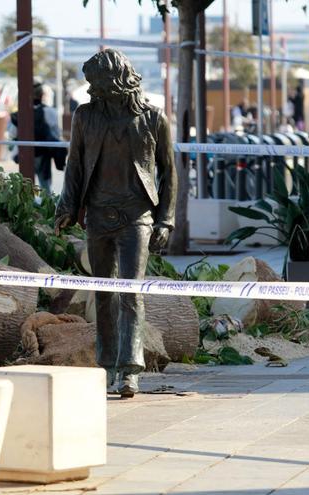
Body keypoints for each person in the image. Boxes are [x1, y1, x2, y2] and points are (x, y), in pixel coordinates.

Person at [54, 48, 177, 398]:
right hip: (97, 215)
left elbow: (170, 174)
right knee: (103, 292)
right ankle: (106, 365)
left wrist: (165, 221)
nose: (92, 90)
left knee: (131, 293)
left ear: (115, 81)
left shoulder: (153, 119)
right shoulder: (85, 117)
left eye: (97, 83)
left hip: (136, 216)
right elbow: (74, 166)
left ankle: (130, 370)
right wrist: (67, 206)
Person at [11, 83, 67, 192]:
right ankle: (46, 207)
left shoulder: (19, 114)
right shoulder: (50, 111)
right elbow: (56, 133)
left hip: (25, 153)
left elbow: (13, 134)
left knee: (25, 186)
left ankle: (27, 207)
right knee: (45, 186)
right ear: (42, 95)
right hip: (44, 153)